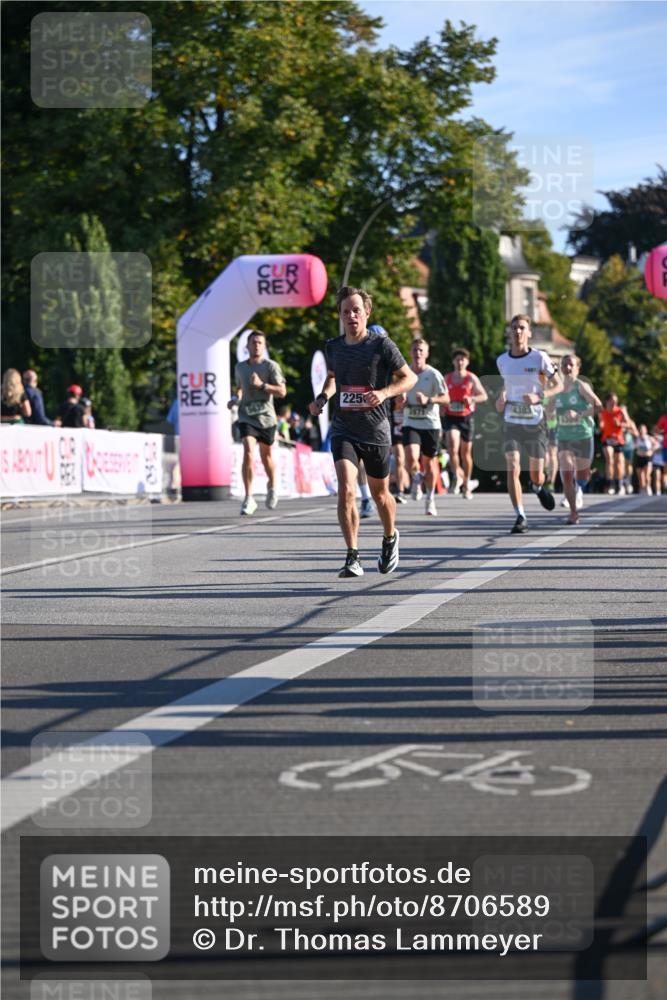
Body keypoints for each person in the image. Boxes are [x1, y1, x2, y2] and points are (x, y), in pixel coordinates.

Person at [309, 286, 416, 577]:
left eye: (356, 310)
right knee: (345, 490)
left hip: (376, 431)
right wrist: (323, 397)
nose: (351, 316)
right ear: (341, 316)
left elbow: (409, 378)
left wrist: (384, 393)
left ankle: (390, 536)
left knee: (380, 495)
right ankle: (352, 556)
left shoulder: (382, 345)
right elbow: (333, 379)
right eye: (346, 311)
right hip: (344, 428)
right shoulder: (334, 347)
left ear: (367, 313)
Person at [496, 314, 563, 533]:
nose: (517, 332)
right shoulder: (502, 360)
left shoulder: (539, 358)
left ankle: (537, 486)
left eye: (522, 328)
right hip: (511, 420)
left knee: (536, 474)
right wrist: (501, 398)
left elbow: (559, 385)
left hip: (535, 421)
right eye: (514, 328)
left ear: (529, 332)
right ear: (510, 332)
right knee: (513, 466)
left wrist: (540, 397)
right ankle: (520, 516)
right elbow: (506, 387)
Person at [228, 329, 286, 514]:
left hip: (267, 418)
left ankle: (272, 486)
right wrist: (235, 399)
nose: (257, 345)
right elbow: (240, 388)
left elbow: (282, 392)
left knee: (266, 458)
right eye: (253, 342)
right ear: (247, 346)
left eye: (260, 342)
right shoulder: (240, 368)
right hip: (246, 417)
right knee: (248, 451)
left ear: (264, 346)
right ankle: (249, 497)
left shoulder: (271, 367)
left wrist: (262, 385)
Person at [550, 354, 601, 525]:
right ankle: (573, 513)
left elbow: (598, 406)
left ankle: (580, 488)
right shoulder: (555, 389)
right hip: (564, 437)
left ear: (578, 368)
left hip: (583, 435)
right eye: (564, 364)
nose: (567, 367)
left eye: (571, 364)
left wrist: (579, 414)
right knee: (566, 475)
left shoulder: (581, 386)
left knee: (582, 476)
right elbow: (548, 409)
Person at [401, 338, 449, 516]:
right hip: (410, 422)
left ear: (427, 353)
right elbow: (397, 397)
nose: (418, 353)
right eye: (415, 350)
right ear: (411, 352)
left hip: (430, 423)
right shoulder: (404, 373)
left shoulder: (434, 374)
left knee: (429, 465)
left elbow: (446, 399)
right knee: (411, 457)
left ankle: (430, 499)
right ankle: (415, 478)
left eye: (421, 350)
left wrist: (429, 400)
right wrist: (400, 401)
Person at [443, 348, 488, 500]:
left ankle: (466, 483)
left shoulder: (471, 378)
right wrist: (442, 406)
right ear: (453, 362)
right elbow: (440, 395)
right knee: (452, 447)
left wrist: (472, 399)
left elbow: (483, 395)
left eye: (463, 359)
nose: (460, 362)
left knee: (466, 453)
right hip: (451, 417)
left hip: (466, 417)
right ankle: (458, 475)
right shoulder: (447, 378)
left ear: (467, 362)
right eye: (457, 359)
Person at [598, 393, 632, 495]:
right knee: (609, 459)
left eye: (616, 401)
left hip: (618, 440)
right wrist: (601, 425)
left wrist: (620, 424)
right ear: (607, 402)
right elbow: (601, 425)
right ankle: (610, 484)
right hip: (607, 439)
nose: (614, 403)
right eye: (612, 401)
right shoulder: (602, 412)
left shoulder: (620, 411)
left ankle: (619, 484)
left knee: (619, 463)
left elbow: (629, 425)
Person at [634, 424, 659, 495]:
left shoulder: (649, 438)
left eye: (643, 429)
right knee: (640, 476)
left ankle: (648, 487)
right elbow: (634, 446)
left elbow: (657, 445)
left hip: (647, 458)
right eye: (640, 429)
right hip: (639, 458)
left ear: (646, 430)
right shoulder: (637, 438)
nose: (642, 431)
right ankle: (642, 488)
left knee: (647, 474)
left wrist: (651, 450)